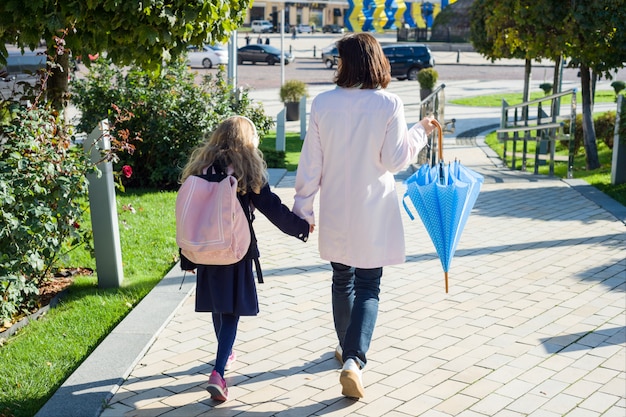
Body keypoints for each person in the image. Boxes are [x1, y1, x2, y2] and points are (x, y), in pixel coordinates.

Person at [292, 33, 436, 400]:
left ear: (346, 63)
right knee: (369, 284)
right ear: (377, 61)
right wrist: (421, 131)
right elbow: (395, 160)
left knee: (343, 280)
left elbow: (311, 163)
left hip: (337, 207)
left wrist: (303, 208)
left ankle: (346, 350)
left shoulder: (323, 104)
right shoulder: (388, 104)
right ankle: (354, 360)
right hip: (374, 208)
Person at [179, 115, 312, 402]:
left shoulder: (200, 168)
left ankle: (225, 356)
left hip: (205, 250)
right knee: (231, 313)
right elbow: (274, 211)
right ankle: (218, 373)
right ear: (247, 141)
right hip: (234, 251)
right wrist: (302, 227)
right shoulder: (244, 172)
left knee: (218, 304)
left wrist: (187, 257)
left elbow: (190, 214)